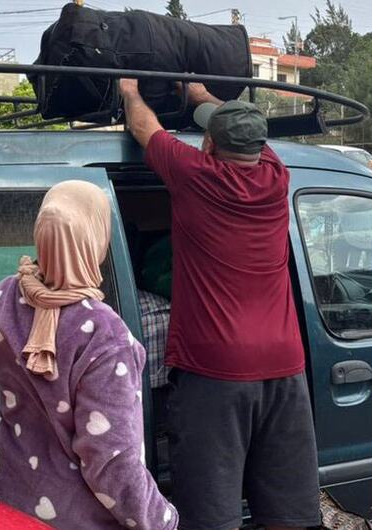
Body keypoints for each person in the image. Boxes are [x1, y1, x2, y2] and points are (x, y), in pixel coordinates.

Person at [118, 78, 320, 530]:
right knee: (288, 511)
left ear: (208, 143)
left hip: (216, 372)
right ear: (260, 145)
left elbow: (144, 128)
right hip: (286, 368)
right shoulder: (276, 175)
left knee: (211, 512)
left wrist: (130, 90)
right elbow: (238, 126)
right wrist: (200, 95)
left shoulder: (195, 175)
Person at [0, 180, 177, 530]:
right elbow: (111, 463)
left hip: (8, 498)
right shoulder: (105, 336)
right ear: (95, 238)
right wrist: (162, 520)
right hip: (78, 518)